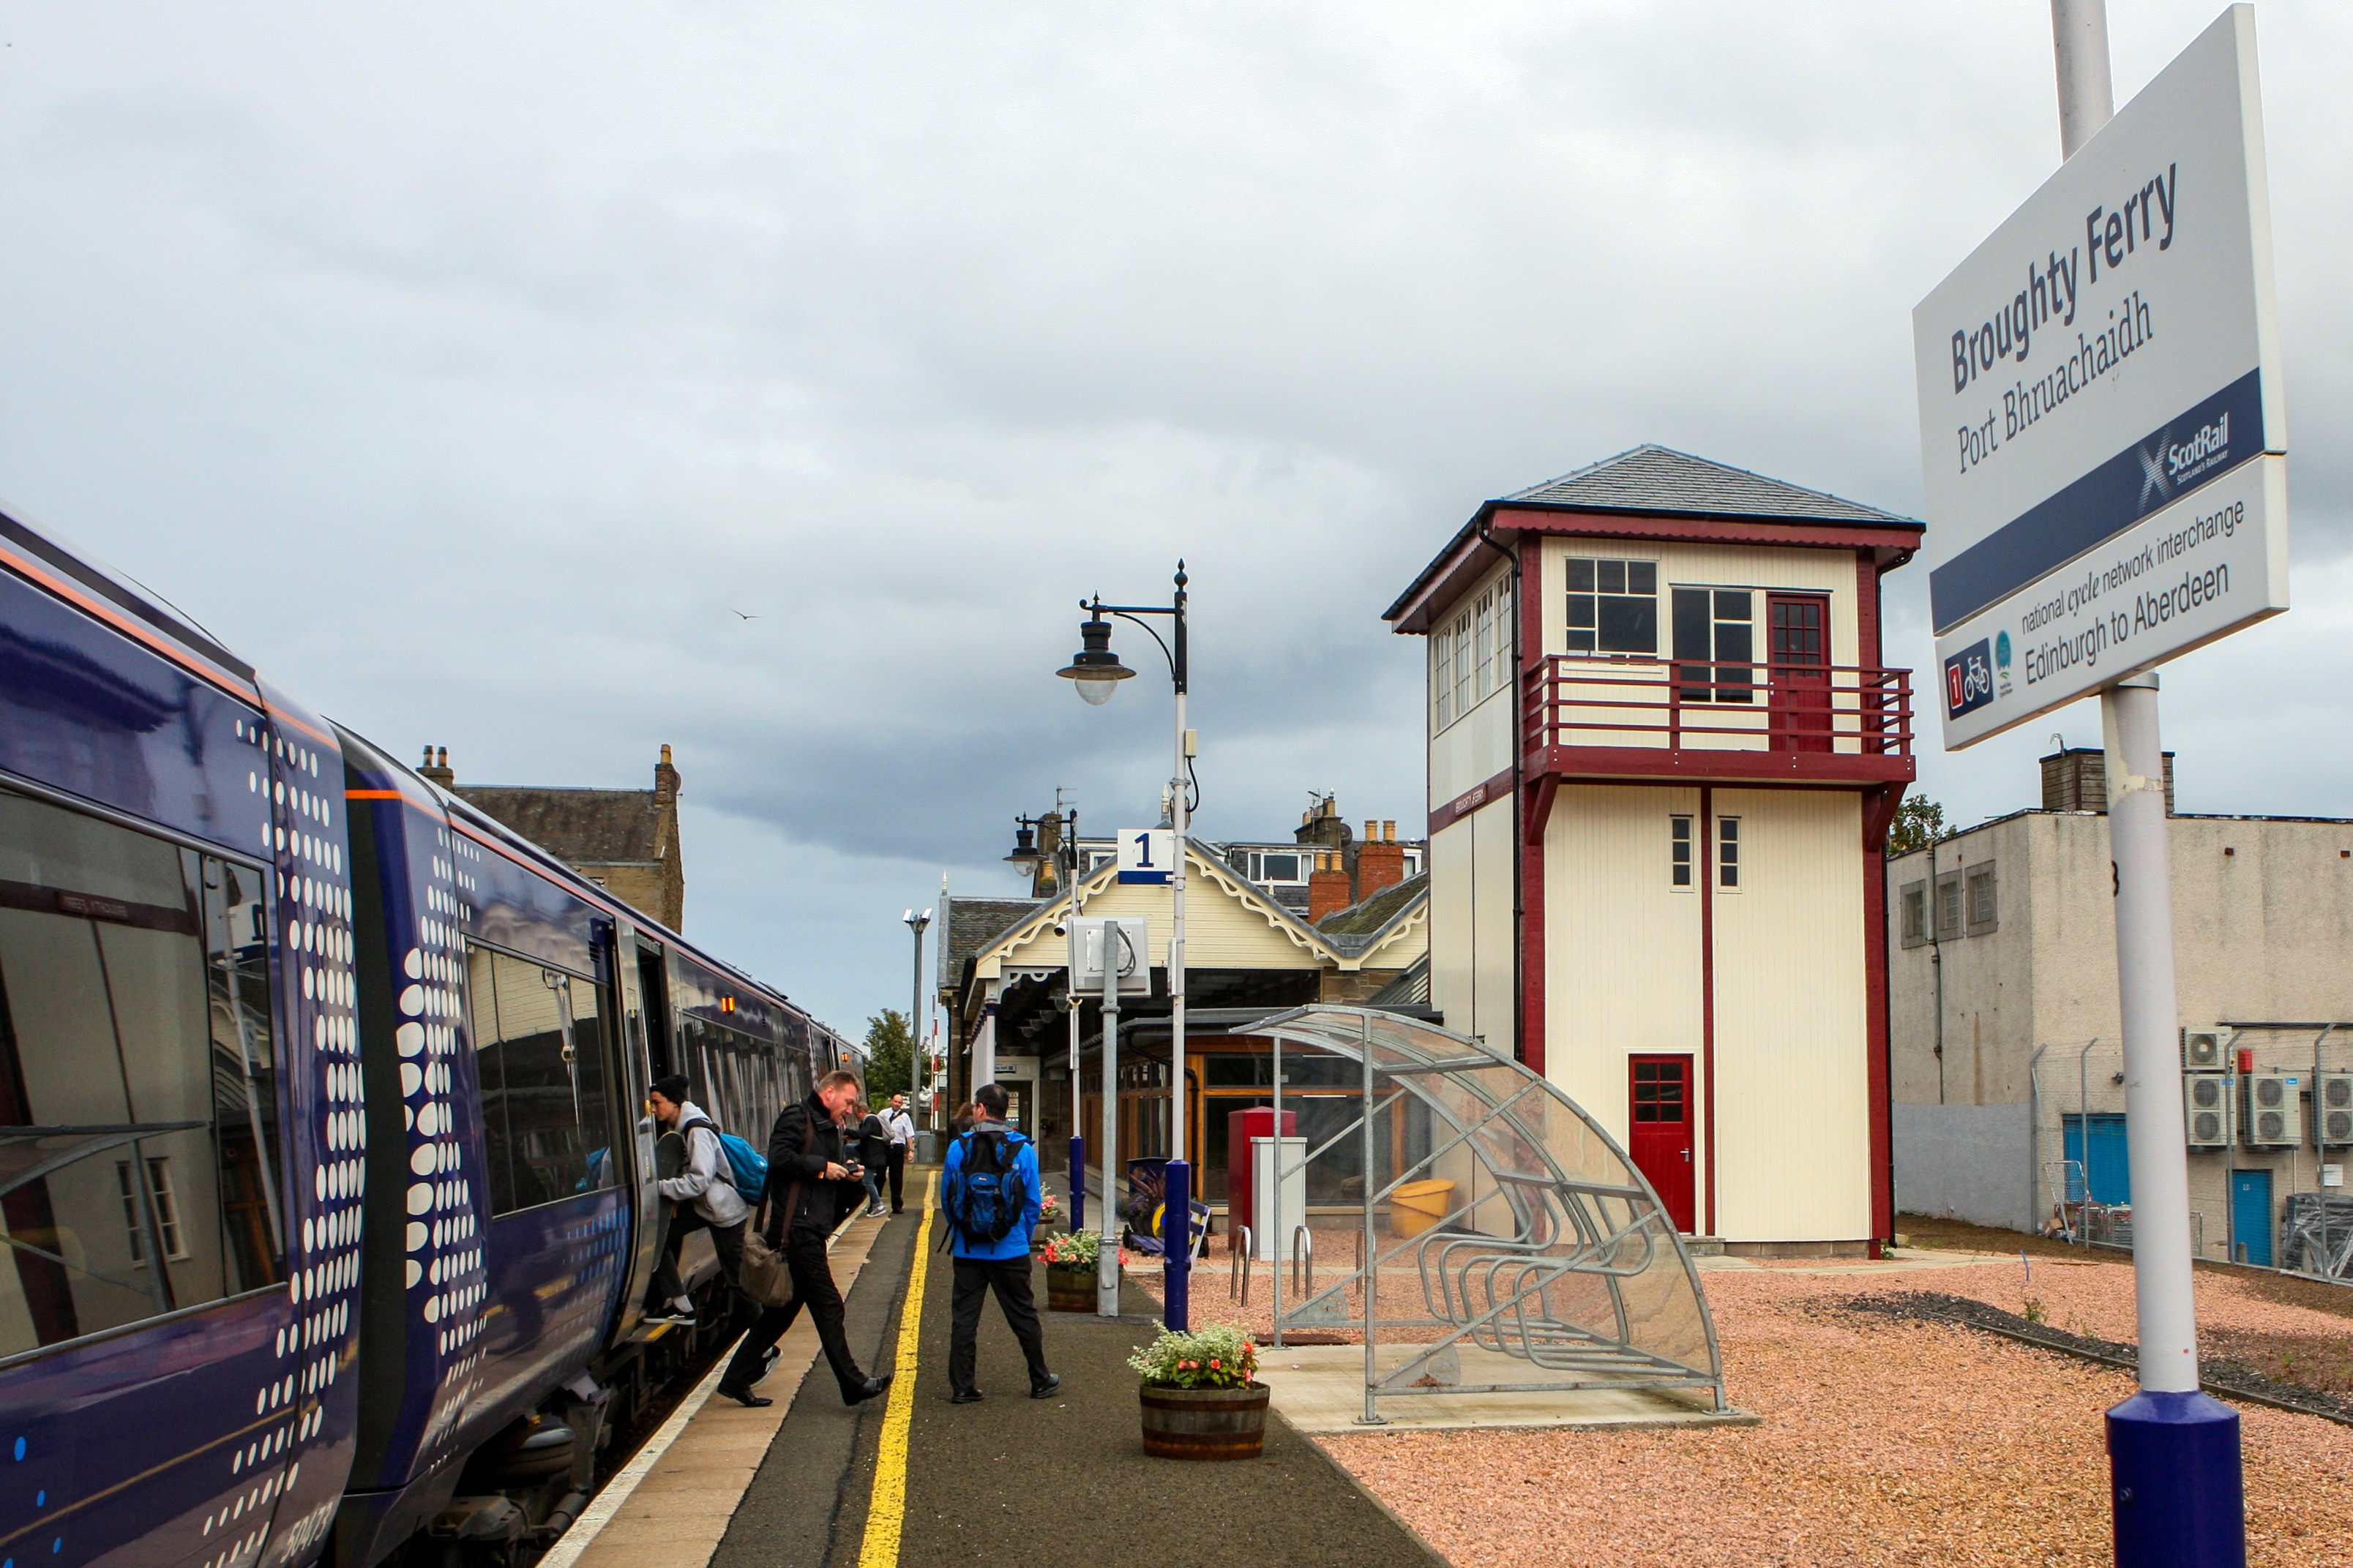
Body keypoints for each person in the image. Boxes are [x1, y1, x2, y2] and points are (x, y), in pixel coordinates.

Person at [718, 1070, 891, 1409]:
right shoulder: (797, 1117)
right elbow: (779, 1158)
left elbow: (828, 1169)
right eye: (847, 1101)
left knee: (781, 1314)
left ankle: (735, 1379)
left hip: (811, 1228)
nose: (850, 1108)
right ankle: (853, 1383)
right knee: (829, 1305)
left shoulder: (830, 1127)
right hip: (795, 1230)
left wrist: (848, 1171)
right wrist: (822, 1167)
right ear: (829, 1093)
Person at [941, 1082, 1057, 1403]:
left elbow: (947, 1199)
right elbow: (1033, 1203)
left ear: (979, 1109)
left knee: (965, 1318)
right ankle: (1040, 1379)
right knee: (1023, 1315)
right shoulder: (1024, 1149)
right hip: (1011, 1249)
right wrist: (1016, 1231)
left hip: (967, 1249)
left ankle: (963, 1386)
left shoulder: (958, 1147)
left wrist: (964, 1229)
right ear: (1006, 1111)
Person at [645, 1076, 747, 1327]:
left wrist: (659, 1188)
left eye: (657, 1103)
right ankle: (682, 1307)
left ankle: (765, 1346)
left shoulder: (696, 1131)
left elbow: (701, 1179)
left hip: (725, 1212)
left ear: (675, 1103)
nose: (654, 1109)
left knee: (737, 1281)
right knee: (660, 1240)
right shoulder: (684, 1127)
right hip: (707, 1207)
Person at [854, 1100, 891, 1218]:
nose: (855, 1117)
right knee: (849, 1149)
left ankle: (878, 1205)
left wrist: (846, 1131)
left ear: (861, 1112)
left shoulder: (870, 1120)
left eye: (856, 1114)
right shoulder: (871, 1119)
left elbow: (863, 1134)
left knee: (868, 1181)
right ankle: (877, 1204)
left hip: (871, 1157)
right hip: (870, 1155)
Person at [881, 1093, 915, 1213]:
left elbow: (909, 1135)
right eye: (895, 1102)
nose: (897, 1104)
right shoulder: (883, 1114)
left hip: (898, 1148)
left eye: (900, 1103)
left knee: (896, 1177)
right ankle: (876, 1203)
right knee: (880, 1175)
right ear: (891, 1101)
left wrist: (910, 1150)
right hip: (884, 1147)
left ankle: (896, 1205)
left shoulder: (905, 1117)